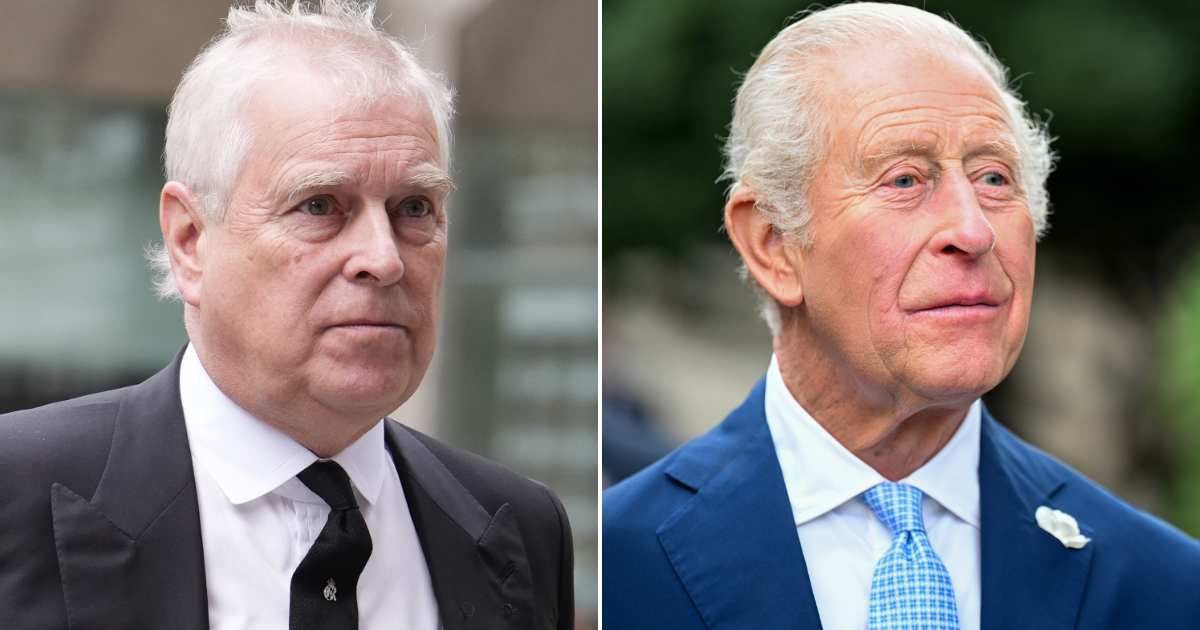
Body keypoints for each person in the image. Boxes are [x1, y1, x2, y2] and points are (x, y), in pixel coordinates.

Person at [603, 3, 1200, 629]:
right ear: (773, 244)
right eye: (905, 181)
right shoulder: (615, 564)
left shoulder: (1160, 587)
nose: (972, 231)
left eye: (995, 178)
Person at [0, 2, 573, 629]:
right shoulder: (19, 494)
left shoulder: (521, 528)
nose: (383, 259)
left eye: (414, 208)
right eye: (321, 205)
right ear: (190, 240)